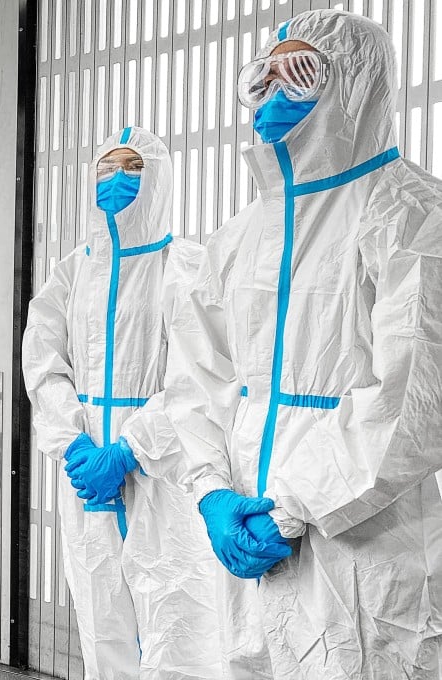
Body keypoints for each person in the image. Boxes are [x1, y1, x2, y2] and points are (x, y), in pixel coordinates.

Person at [161, 10, 442, 678]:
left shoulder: (410, 213)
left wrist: (290, 507)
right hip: (244, 536)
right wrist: (211, 494)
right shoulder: (238, 236)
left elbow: (414, 398)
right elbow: (195, 378)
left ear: (356, 85)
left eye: (300, 76)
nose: (271, 97)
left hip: (361, 543)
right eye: (261, 79)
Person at [23, 127, 227, 680]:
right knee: (100, 618)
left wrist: (130, 448)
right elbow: (43, 365)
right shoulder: (73, 271)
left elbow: (199, 376)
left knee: (177, 618)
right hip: (86, 474)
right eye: (106, 169)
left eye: (132, 167)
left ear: (158, 178)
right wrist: (76, 444)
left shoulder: (187, 267)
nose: (116, 180)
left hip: (164, 477)